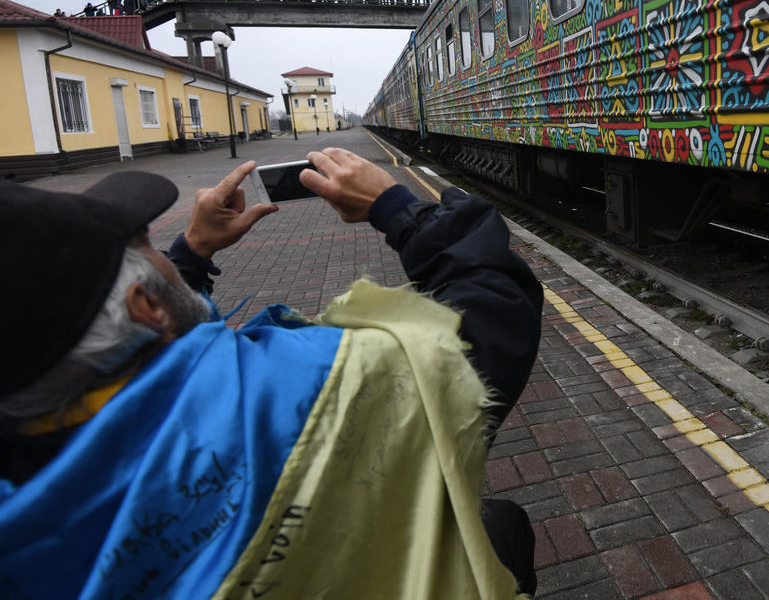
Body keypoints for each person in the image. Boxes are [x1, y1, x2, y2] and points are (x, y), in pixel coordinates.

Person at [0, 151, 541, 599]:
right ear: (145, 308)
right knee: (503, 524)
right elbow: (487, 314)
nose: (163, 254)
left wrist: (190, 256)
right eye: (147, 247)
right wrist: (397, 208)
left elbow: (151, 358)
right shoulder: (308, 391)